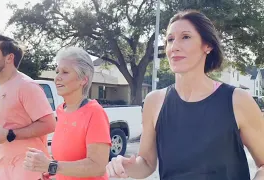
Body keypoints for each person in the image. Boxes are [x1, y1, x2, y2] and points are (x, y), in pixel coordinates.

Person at [106, 10, 264, 180]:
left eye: (186, 37)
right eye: (170, 40)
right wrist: (124, 166)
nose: (174, 47)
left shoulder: (237, 100)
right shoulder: (154, 101)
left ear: (207, 45)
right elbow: (146, 164)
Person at [23, 47, 111, 180]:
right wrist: (49, 170)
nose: (57, 77)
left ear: (83, 80)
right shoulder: (61, 110)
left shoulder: (95, 112)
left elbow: (97, 166)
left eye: (65, 72)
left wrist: (52, 166)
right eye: (57, 71)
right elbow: (66, 159)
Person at [0, 34, 56, 180]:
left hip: (28, 171)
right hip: (3, 168)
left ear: (9, 58)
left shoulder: (26, 86)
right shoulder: (2, 87)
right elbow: (11, 126)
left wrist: (9, 134)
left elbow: (50, 124)